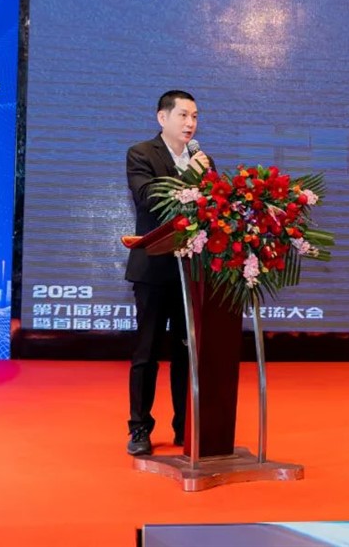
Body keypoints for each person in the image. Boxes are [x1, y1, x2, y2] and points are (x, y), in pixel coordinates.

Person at [124, 90, 211, 456]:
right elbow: (149, 199)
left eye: (195, 117)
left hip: (190, 271)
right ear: (163, 118)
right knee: (146, 353)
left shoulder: (203, 159)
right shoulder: (142, 154)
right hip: (153, 269)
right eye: (183, 115)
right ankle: (139, 429)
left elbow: (211, 207)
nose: (190, 123)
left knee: (185, 353)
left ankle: (184, 426)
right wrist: (190, 175)